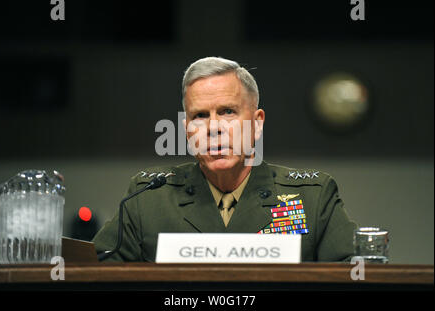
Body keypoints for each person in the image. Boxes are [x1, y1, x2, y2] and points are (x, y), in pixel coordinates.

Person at [92, 57, 357, 262]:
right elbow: (93, 275)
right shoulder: (147, 199)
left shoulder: (312, 198)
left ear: (256, 123)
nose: (213, 127)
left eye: (227, 111)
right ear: (186, 130)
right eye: (200, 116)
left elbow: (356, 277)